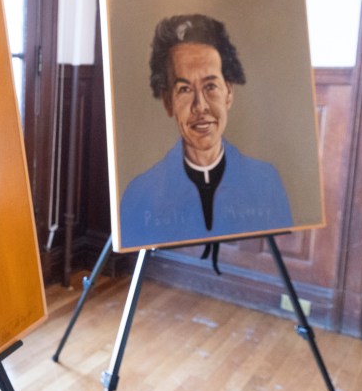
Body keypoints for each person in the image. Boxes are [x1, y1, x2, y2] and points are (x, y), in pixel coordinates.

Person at [118, 14, 293, 250]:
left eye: (211, 86)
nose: (200, 106)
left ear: (228, 93)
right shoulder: (139, 195)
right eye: (184, 89)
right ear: (168, 102)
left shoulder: (266, 182)